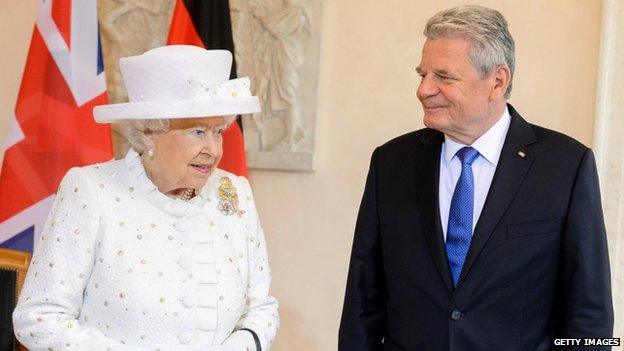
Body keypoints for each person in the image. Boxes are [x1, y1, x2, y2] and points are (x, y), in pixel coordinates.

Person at [339, 5, 613, 350]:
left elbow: (591, 316)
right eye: (422, 75)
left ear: (497, 81)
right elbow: (362, 302)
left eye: (444, 76)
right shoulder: (391, 163)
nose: (424, 90)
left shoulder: (566, 166)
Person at [13, 45, 279, 351]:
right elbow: (39, 317)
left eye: (218, 131)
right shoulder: (91, 190)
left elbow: (261, 310)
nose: (215, 150)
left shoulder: (235, 193)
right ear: (149, 133)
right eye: (197, 132)